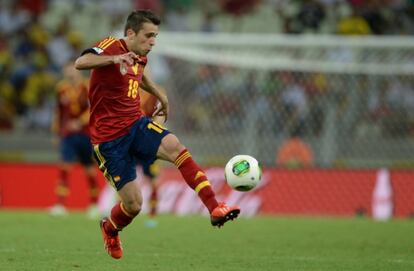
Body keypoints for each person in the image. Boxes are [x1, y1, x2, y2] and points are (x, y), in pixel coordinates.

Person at [74, 10, 240, 259]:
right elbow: (81, 62)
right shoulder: (111, 46)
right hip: (109, 141)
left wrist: (161, 95)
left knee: (175, 146)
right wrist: (114, 59)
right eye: (148, 36)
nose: (152, 42)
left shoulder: (140, 57)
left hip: (136, 124)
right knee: (134, 205)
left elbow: (140, 78)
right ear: (131, 33)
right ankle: (110, 228)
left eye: (155, 37)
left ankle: (215, 208)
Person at [49, 61, 99, 219]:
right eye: (67, 70)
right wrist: (56, 133)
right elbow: (58, 111)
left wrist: (80, 122)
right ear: (64, 71)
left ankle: (94, 205)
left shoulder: (87, 86)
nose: (70, 72)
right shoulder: (61, 88)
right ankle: (60, 205)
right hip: (68, 135)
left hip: (86, 134)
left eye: (73, 70)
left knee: (90, 169)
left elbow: (95, 108)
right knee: (64, 167)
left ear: (78, 71)